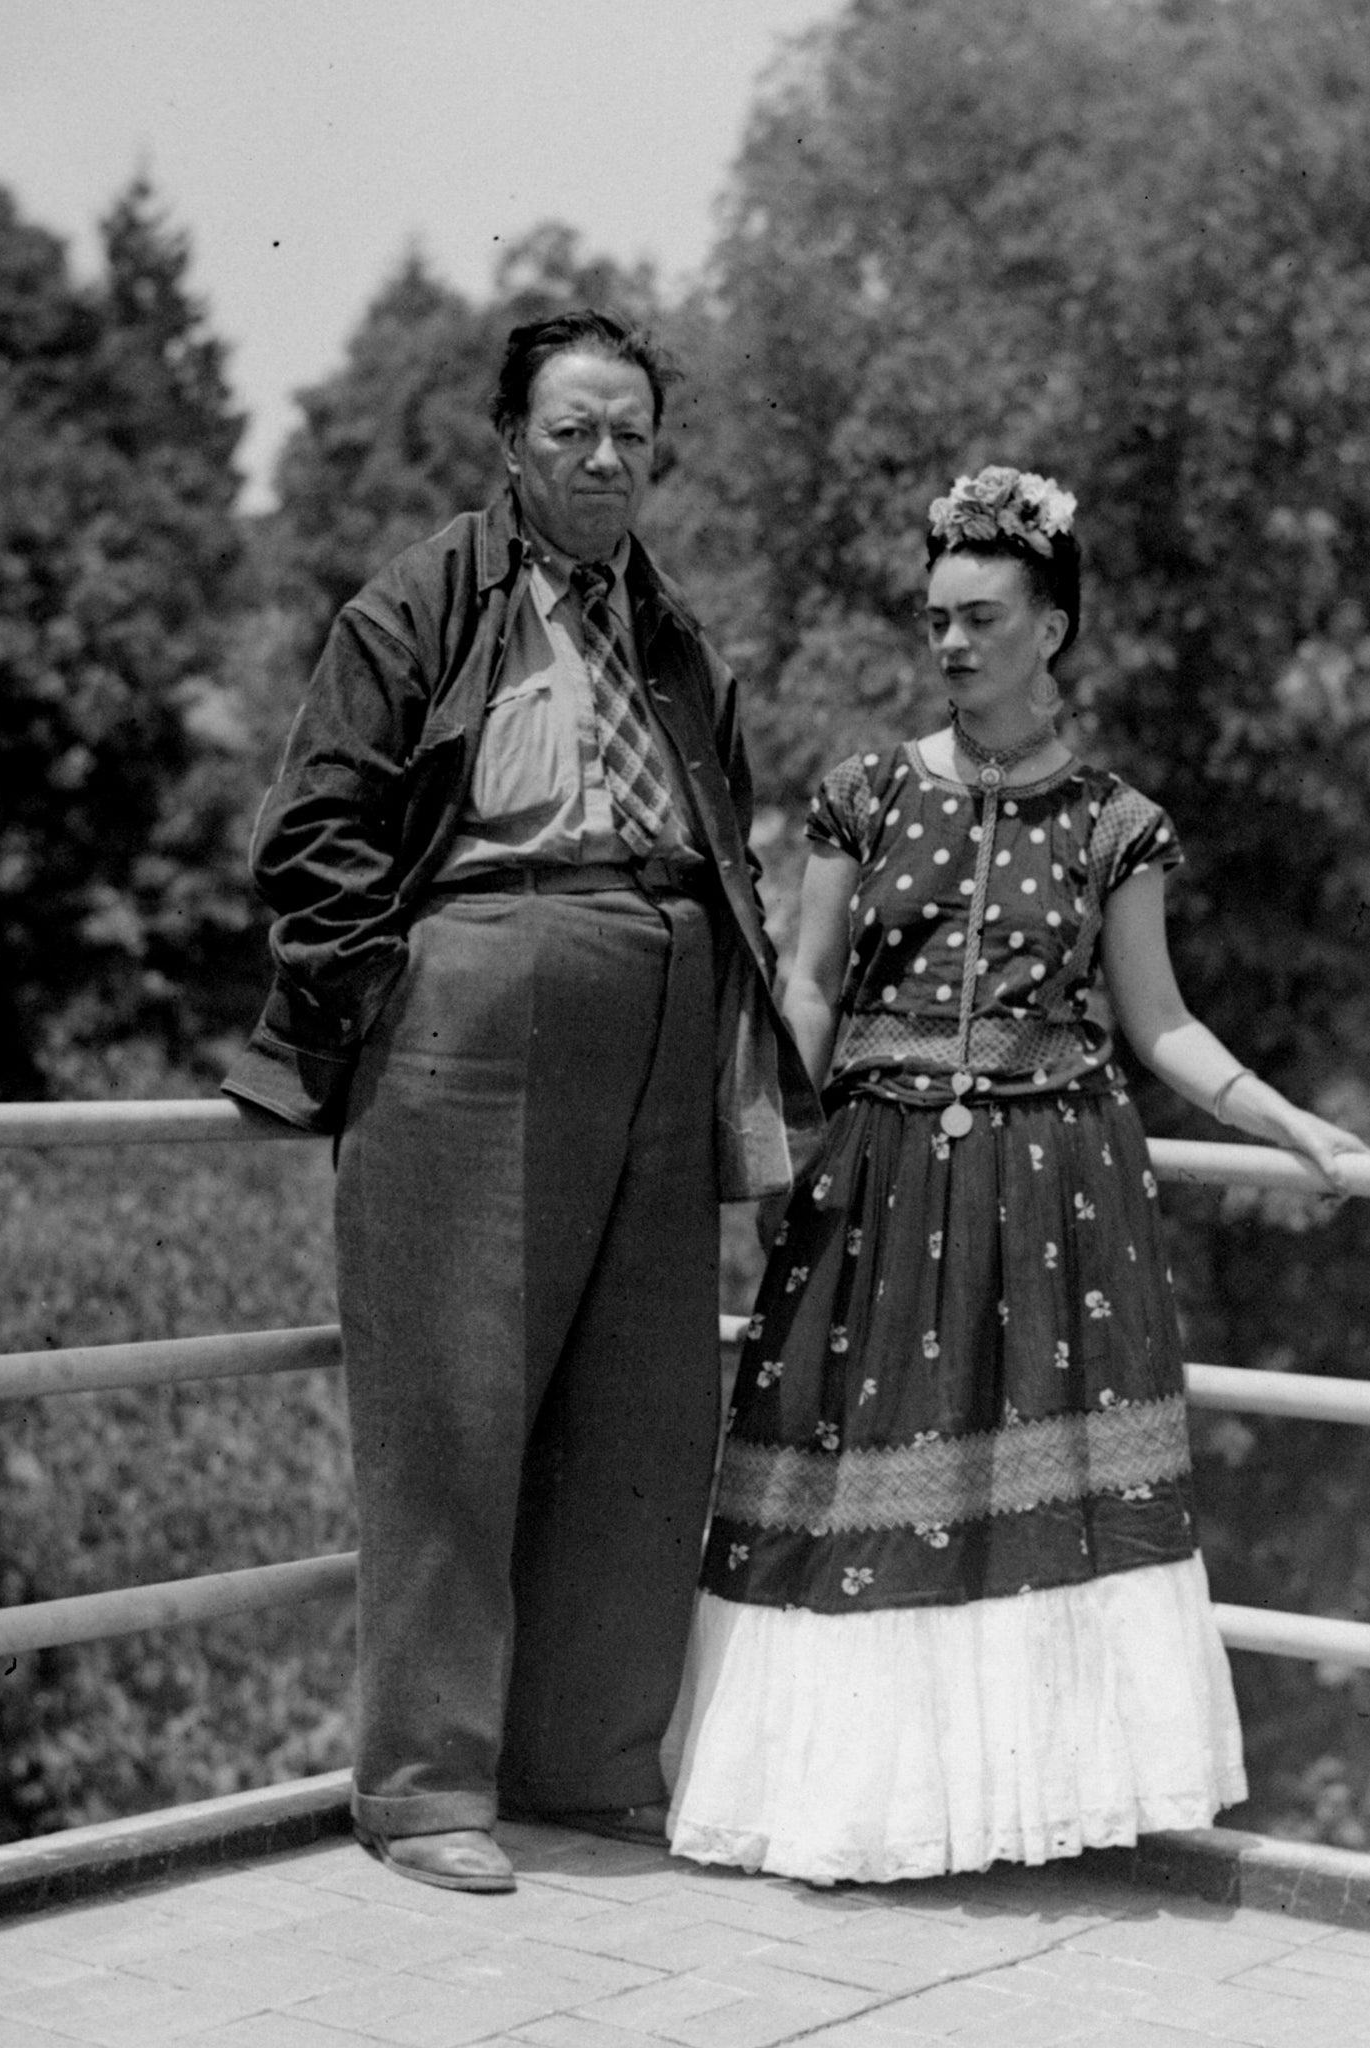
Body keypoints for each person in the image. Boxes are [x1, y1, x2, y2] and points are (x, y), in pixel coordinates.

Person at [664, 462, 1370, 1884]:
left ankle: (1012, 1814)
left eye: (983, 616)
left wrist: (1296, 1124)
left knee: (1023, 1498)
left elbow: (1158, 1021)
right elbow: (805, 993)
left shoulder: (1116, 825)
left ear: (1051, 628)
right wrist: (730, 1132)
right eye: (937, 617)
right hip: (875, 1185)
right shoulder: (864, 796)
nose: (952, 642)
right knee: (857, 1486)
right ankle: (854, 1814)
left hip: (1056, 1192)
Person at [224, 310, 822, 1894]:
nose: (608, 459)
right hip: (478, 996)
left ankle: (590, 1764)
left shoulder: (675, 634)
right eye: (574, 432)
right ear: (511, 443)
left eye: (631, 432)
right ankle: (425, 1790)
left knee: (643, 1409)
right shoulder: (421, 601)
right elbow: (312, 837)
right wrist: (406, 996)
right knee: (454, 1399)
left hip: (664, 1001)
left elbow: (734, 841)